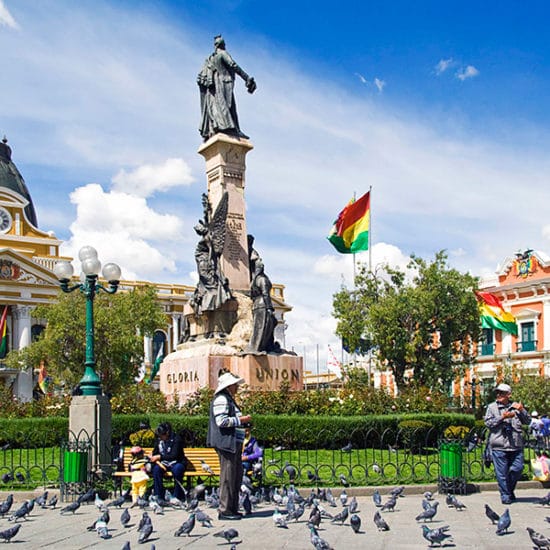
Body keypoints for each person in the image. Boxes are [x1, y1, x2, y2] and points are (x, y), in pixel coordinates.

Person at [207, 371, 252, 520]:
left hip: (232, 443)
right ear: (229, 386)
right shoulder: (221, 399)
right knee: (227, 476)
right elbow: (222, 421)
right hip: (226, 443)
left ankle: (232, 508)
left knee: (235, 475)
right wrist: (242, 420)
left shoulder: (228, 399)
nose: (237, 387)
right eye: (234, 385)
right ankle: (225, 510)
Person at [197, 35, 256, 141]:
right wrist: (246, 77)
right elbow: (233, 65)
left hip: (213, 88)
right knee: (230, 108)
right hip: (223, 83)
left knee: (216, 108)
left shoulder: (210, 59)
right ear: (223, 45)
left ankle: (216, 127)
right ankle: (233, 129)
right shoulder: (223, 54)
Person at [484, 383, 530, 504]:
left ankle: (508, 490)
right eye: (497, 393)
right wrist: (502, 418)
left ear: (508, 394)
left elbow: (528, 421)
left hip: (516, 444)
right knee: (502, 473)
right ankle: (505, 495)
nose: (498, 395)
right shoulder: (492, 407)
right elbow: (488, 424)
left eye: (502, 393)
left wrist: (522, 410)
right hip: (499, 445)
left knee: (517, 468)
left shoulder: (516, 407)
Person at [148, 422, 186, 502]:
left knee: (178, 469)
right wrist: (152, 455)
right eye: (159, 435)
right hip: (163, 463)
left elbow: (174, 455)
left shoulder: (176, 439)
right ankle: (159, 495)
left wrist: (160, 457)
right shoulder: (159, 440)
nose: (160, 437)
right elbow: (155, 452)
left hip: (176, 462)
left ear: (167, 433)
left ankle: (177, 496)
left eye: (162, 435)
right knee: (156, 470)